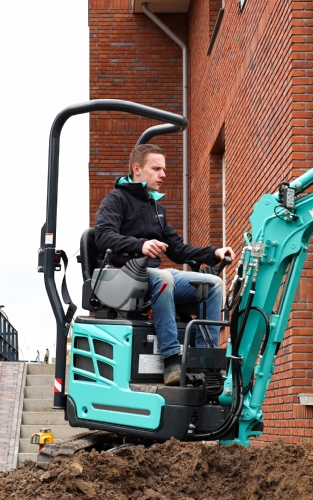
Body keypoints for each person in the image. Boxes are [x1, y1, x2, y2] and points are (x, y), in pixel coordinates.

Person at [95, 144, 235, 386]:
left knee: (214, 284)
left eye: (164, 169)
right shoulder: (116, 200)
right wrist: (140, 245)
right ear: (137, 169)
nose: (163, 174)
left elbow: (178, 250)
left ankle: (205, 361)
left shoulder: (156, 208)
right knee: (164, 278)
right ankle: (172, 360)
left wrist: (213, 252)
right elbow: (103, 236)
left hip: (153, 274)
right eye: (156, 169)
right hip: (125, 275)